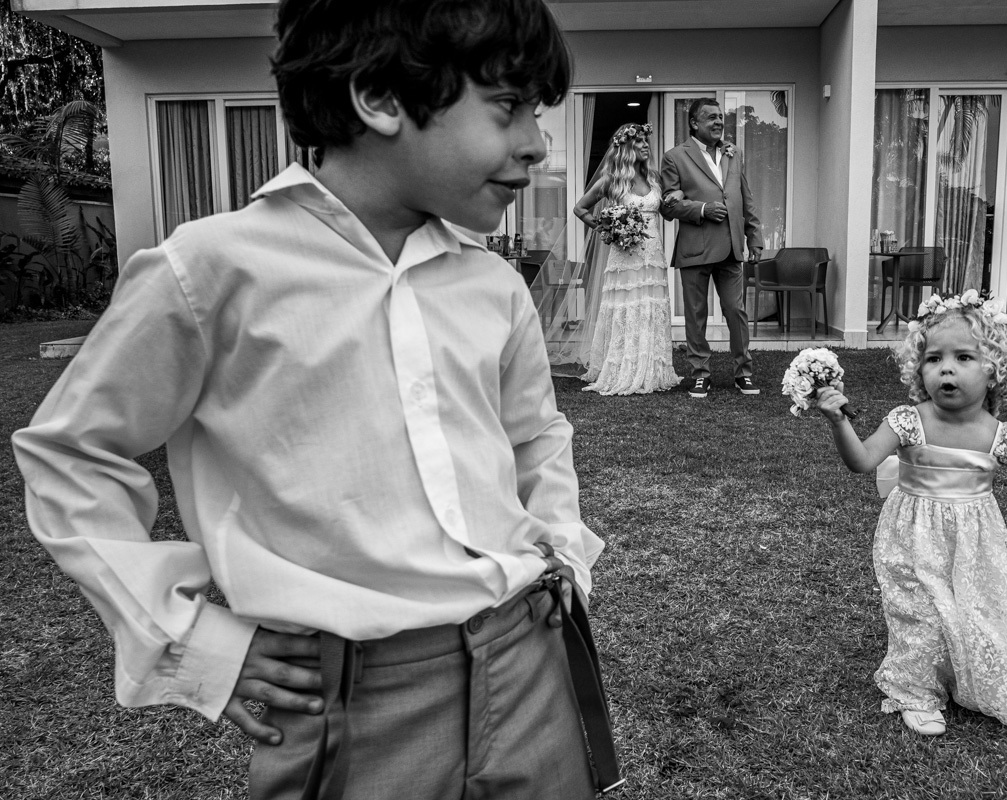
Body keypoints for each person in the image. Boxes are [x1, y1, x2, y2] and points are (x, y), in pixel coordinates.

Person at [11, 2, 621, 798]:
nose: (537, 144)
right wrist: (188, 634)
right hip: (358, 703)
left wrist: (564, 545)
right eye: (508, 107)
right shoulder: (211, 270)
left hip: (531, 657)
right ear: (380, 98)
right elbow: (70, 453)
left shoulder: (494, 286)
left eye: (537, 113)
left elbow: (536, 435)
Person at [814, 291, 1007, 736]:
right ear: (919, 369)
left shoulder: (1003, 436)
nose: (946, 368)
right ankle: (916, 692)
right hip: (911, 532)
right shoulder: (907, 420)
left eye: (963, 357)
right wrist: (839, 421)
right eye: (934, 358)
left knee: (969, 611)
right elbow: (862, 461)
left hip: (976, 540)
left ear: (994, 368)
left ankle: (966, 678)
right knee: (919, 613)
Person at [660, 97, 763, 399]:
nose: (719, 122)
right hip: (695, 248)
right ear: (694, 122)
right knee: (696, 315)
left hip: (731, 247)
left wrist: (754, 236)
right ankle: (700, 374)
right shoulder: (675, 157)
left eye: (721, 117)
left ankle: (743, 372)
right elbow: (668, 206)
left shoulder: (734, 153)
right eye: (711, 118)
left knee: (736, 311)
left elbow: (745, 197)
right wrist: (702, 209)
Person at [569, 122, 681, 395]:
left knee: (651, 307)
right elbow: (580, 208)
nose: (646, 145)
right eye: (640, 141)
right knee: (626, 310)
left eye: (646, 141)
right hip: (624, 257)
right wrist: (607, 227)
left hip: (653, 255)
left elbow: (665, 212)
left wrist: (675, 199)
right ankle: (621, 367)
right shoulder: (612, 180)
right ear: (626, 147)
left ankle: (652, 369)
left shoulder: (654, 177)